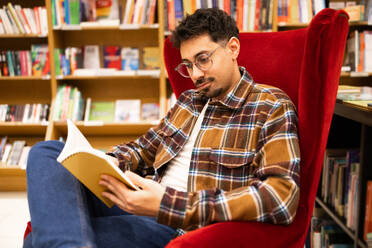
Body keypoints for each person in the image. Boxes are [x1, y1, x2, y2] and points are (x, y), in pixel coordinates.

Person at [24, 8, 300, 248]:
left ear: (233, 48)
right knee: (47, 152)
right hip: (140, 202)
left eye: (203, 59)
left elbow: (280, 197)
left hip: (183, 228)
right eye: (188, 65)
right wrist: (110, 160)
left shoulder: (270, 105)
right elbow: (143, 149)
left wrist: (168, 204)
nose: (195, 75)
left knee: (36, 240)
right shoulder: (190, 101)